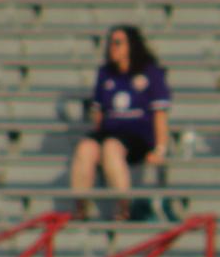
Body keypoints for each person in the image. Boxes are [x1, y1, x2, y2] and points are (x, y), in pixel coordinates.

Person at [70, 25, 170, 220]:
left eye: (118, 43)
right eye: (111, 43)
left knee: (111, 147)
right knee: (86, 148)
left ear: (131, 45)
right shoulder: (106, 73)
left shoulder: (150, 73)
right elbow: (98, 113)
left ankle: (124, 206)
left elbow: (159, 114)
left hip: (137, 134)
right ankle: (80, 207)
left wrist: (160, 148)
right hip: (111, 131)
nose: (112, 48)